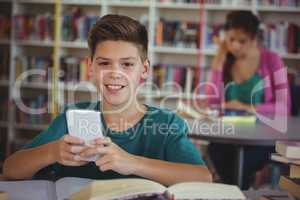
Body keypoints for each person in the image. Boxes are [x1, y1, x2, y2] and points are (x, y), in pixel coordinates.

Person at [3, 14, 212, 186]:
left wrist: (132, 163)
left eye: (127, 64)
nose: (115, 73)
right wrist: (51, 152)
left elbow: (203, 178)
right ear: (91, 68)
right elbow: (10, 169)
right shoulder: (70, 118)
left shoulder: (167, 124)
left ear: (144, 69)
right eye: (104, 63)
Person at [206, 11, 291, 189]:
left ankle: (237, 190)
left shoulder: (272, 60)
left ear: (254, 39)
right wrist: (217, 61)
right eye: (231, 39)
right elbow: (212, 102)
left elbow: (284, 107)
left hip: (262, 136)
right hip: (226, 135)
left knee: (242, 166)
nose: (235, 46)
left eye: (242, 41)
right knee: (216, 152)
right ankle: (236, 191)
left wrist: (246, 107)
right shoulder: (226, 60)